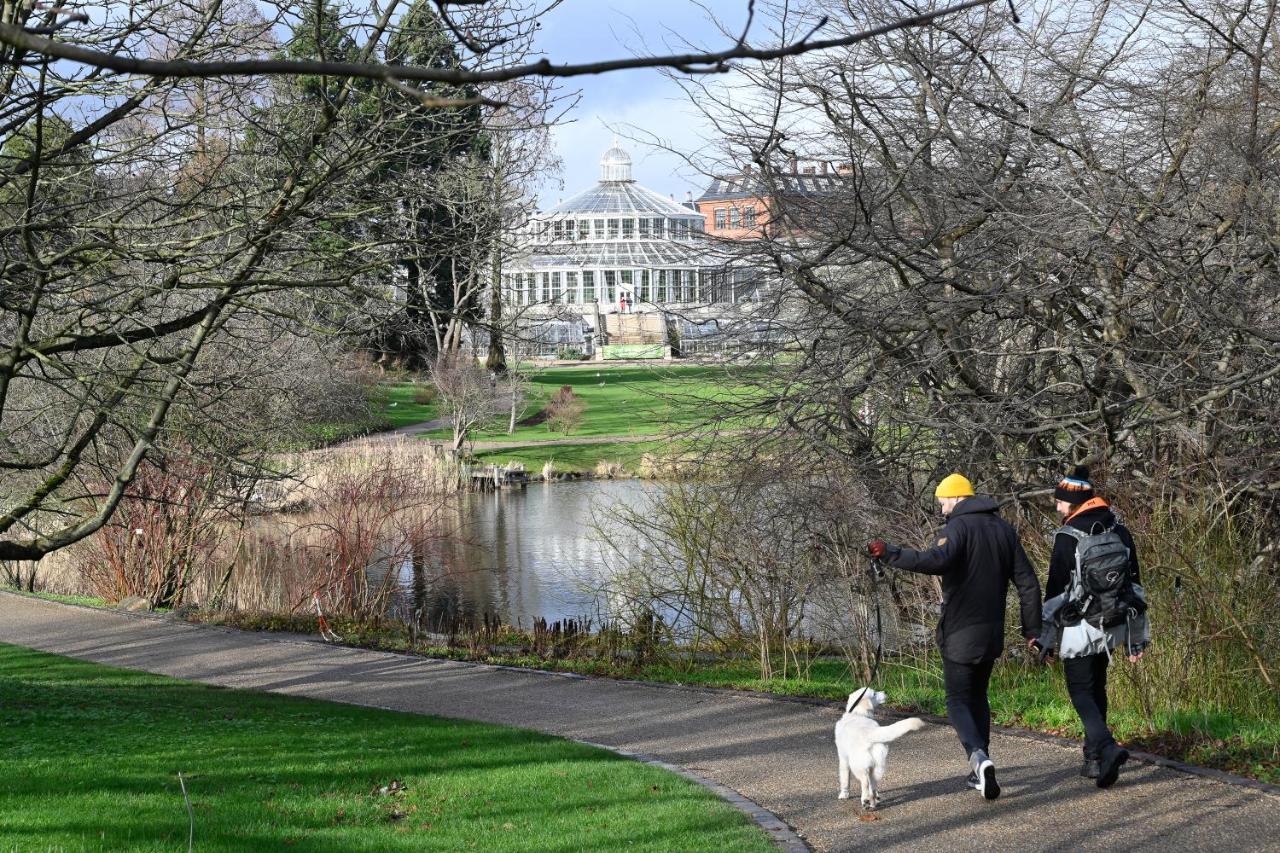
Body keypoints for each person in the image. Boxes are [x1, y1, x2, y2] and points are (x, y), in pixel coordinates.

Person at [869, 473, 1042, 801]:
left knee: (957, 700)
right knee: (979, 697)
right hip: (992, 633)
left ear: (958, 498)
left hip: (961, 631)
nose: (942, 508)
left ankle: (978, 757)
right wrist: (1032, 630)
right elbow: (1028, 583)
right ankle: (981, 768)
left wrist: (890, 553)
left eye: (944, 501)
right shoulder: (1004, 530)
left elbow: (934, 560)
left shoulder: (957, 529)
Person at [1039, 466, 1147, 789]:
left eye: (1060, 502)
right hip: (1114, 623)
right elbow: (1136, 585)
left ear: (1073, 502)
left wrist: (1046, 639)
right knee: (1097, 686)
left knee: (1079, 690)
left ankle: (1107, 748)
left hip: (1080, 627)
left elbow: (1055, 593)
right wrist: (1135, 641)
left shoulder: (1066, 537)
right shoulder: (1120, 529)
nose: (1057, 507)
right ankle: (1094, 759)